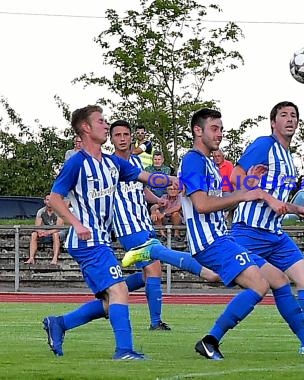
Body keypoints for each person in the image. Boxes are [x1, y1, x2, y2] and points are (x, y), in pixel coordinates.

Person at [122, 108, 304, 360]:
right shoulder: (194, 159)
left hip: (223, 237)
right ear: (198, 131)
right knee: (258, 284)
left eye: (221, 129)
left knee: (279, 280)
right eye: (214, 129)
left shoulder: (207, 162)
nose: (220, 134)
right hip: (211, 241)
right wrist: (245, 193)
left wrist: (248, 185)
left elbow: (216, 198)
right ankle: (210, 340)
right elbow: (202, 205)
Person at [41, 105, 176, 360]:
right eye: (101, 121)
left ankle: (60, 323)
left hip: (101, 239)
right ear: (86, 128)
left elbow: (144, 177)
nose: (106, 125)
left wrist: (170, 181)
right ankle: (124, 351)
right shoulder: (77, 163)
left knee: (111, 300)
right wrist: (76, 223)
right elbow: (55, 197)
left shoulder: (112, 163)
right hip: (87, 242)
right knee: (119, 292)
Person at [230, 101, 304, 353]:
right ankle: (163, 253)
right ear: (273, 122)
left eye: (294, 115)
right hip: (248, 229)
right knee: (216, 274)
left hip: (274, 234)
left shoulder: (290, 160)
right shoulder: (264, 145)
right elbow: (235, 178)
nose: (290, 119)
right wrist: (256, 187)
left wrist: (297, 209)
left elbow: (278, 201)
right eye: (284, 115)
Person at [109, 119, 217, 330]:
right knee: (156, 259)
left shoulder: (138, 163)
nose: (122, 139)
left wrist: (157, 200)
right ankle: (202, 271)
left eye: (125, 135)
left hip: (143, 222)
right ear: (111, 139)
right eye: (117, 135)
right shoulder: (110, 165)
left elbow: (142, 188)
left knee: (148, 273)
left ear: (132, 137)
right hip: (126, 225)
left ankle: (112, 292)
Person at [24, 194, 64, 265]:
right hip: (46, 231)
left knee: (55, 234)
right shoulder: (41, 211)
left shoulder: (59, 211)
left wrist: (48, 232)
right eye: (48, 200)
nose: (49, 202)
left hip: (58, 231)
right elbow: (37, 226)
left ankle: (55, 258)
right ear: (45, 201)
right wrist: (40, 231)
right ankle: (31, 258)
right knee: (34, 234)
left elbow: (59, 227)